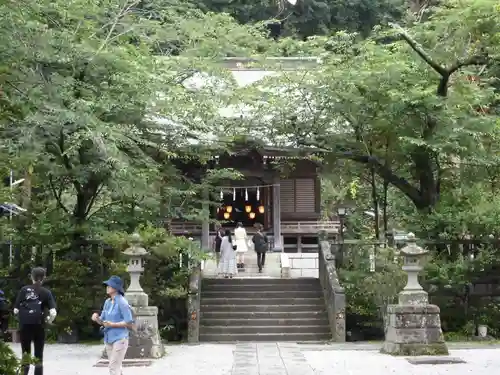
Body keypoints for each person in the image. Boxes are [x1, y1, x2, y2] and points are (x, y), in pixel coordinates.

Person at [13, 267, 57, 375]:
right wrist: (49, 320)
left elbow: (15, 310)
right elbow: (53, 312)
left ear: (31, 277)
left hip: (25, 325)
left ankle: (24, 372)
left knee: (25, 353)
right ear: (44, 278)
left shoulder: (24, 290)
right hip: (39, 325)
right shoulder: (46, 292)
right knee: (38, 354)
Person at [92, 276, 133, 375]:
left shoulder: (122, 302)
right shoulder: (107, 302)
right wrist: (96, 318)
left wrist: (113, 324)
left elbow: (129, 322)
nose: (107, 287)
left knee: (113, 368)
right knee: (116, 367)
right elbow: (103, 321)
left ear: (116, 288)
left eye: (109, 285)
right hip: (108, 339)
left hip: (120, 339)